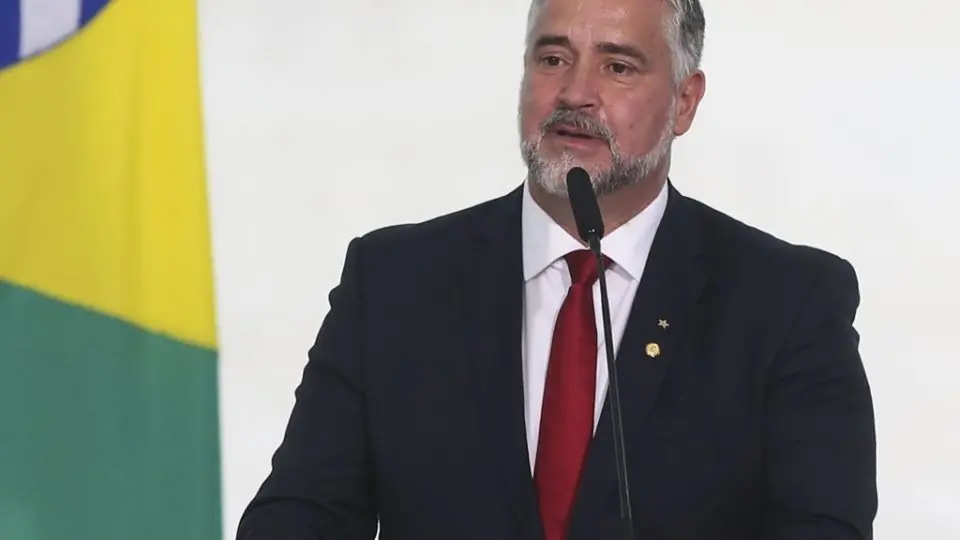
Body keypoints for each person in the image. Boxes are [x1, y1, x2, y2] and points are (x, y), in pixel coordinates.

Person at [236, 0, 878, 538]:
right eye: (552, 59)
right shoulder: (394, 283)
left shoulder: (787, 303)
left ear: (685, 102)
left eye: (617, 66)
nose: (575, 93)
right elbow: (298, 517)